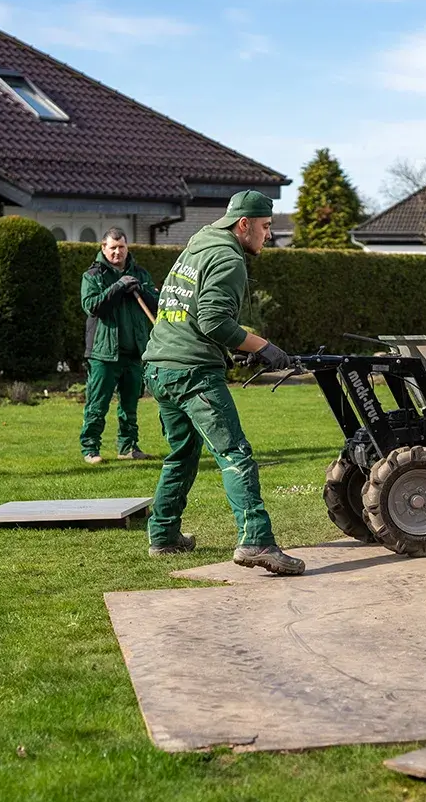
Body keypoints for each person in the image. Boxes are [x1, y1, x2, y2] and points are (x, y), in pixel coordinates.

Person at [141, 190, 305, 575]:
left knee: (182, 454)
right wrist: (263, 345)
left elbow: (193, 310)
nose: (269, 235)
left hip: (160, 367)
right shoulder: (229, 258)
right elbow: (212, 321)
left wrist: (238, 347)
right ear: (243, 224)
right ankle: (256, 541)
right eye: (265, 227)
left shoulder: (200, 245)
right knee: (235, 453)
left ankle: (163, 534)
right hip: (191, 372)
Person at [79, 227, 159, 464]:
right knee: (97, 404)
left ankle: (128, 447)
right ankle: (90, 449)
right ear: (104, 248)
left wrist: (141, 290)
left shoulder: (140, 274)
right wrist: (118, 287)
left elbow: (157, 306)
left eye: (121, 247)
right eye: (112, 248)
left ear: (127, 248)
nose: (117, 252)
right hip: (104, 353)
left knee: (130, 405)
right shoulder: (93, 276)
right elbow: (92, 306)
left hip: (134, 351)